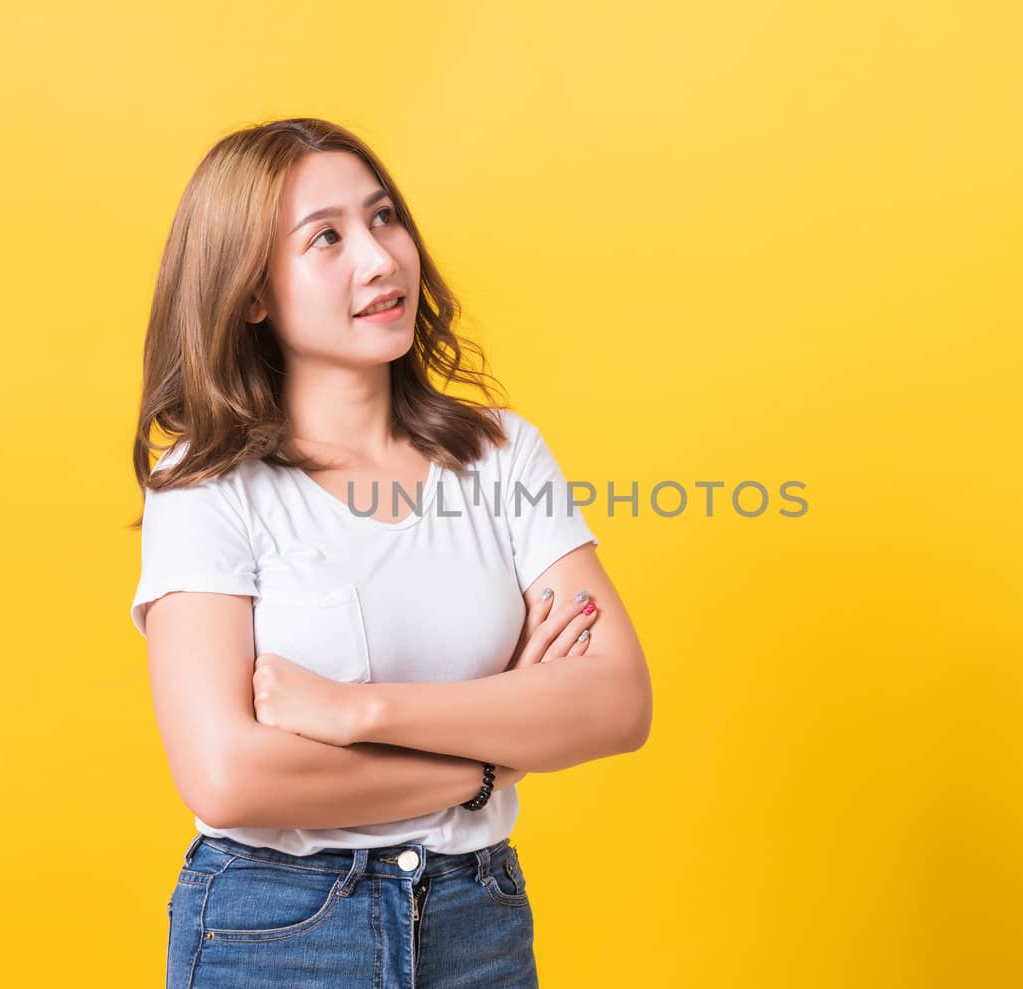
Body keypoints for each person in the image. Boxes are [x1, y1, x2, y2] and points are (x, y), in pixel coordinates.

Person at [127, 117, 652, 989]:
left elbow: (616, 700)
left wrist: (359, 712)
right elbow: (228, 777)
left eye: (383, 219)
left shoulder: (499, 454)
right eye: (325, 237)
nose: (379, 259)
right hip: (276, 927)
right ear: (250, 292)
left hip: (475, 919)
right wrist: (492, 756)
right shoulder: (206, 480)